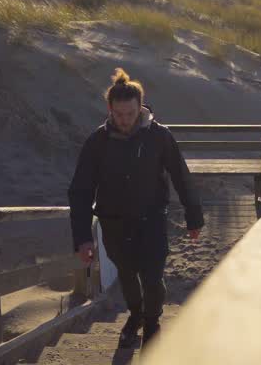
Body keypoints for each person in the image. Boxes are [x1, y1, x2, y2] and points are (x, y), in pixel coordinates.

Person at [68, 69, 204, 349]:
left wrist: (194, 216)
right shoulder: (97, 142)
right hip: (114, 224)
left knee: (153, 279)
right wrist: (82, 236)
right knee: (127, 276)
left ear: (140, 107)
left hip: (151, 220)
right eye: (118, 114)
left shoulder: (159, 137)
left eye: (130, 114)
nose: (124, 120)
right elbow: (80, 190)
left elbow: (181, 175)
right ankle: (136, 316)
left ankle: (152, 322)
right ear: (110, 109)